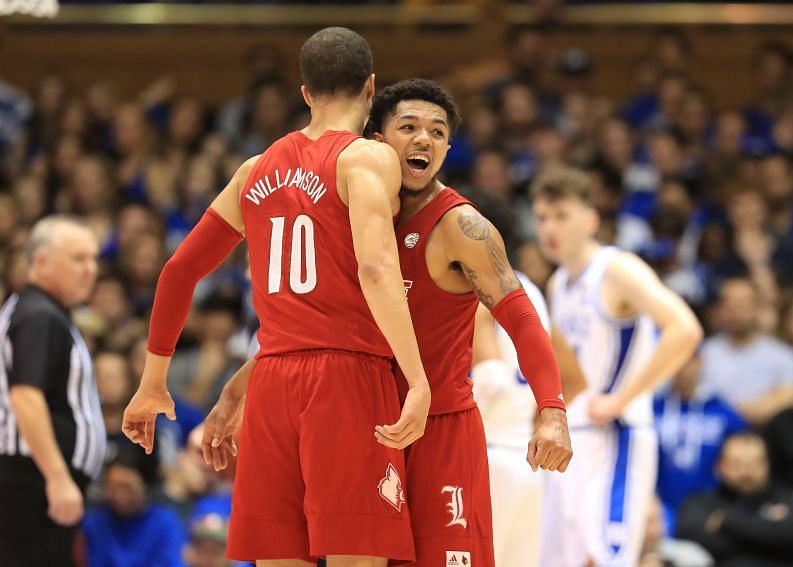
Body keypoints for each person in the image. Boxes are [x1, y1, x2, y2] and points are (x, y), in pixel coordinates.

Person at [203, 78, 572, 567]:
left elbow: (522, 320)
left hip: (439, 432)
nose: (424, 139)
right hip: (364, 429)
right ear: (377, 142)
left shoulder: (463, 228)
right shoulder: (349, 215)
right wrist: (239, 387)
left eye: (438, 133)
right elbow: (316, 331)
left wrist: (552, 410)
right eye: (410, 127)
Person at [122, 28, 431, 566]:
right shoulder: (366, 159)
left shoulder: (253, 169)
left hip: (272, 384)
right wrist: (418, 378)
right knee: (355, 554)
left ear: (305, 93)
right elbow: (376, 266)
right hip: (347, 377)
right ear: (371, 88)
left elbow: (177, 272)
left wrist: (153, 384)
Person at [532, 167, 703, 567]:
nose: (549, 228)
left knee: (604, 558)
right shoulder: (558, 282)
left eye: (561, 216)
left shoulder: (617, 269)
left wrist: (622, 398)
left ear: (590, 220)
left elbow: (684, 330)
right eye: (541, 217)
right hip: (572, 437)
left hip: (616, 435)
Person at [469, 190, 586, 567]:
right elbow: (574, 378)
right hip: (526, 463)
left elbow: (491, 377)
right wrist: (540, 419)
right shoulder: (527, 289)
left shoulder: (472, 288)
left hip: (484, 455)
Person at [0, 215, 105, 567]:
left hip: (30, 477)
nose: (90, 269)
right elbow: (25, 396)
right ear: (42, 260)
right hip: (31, 480)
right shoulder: (40, 315)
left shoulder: (35, 310)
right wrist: (58, 478)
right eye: (79, 259)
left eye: (93, 259)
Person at [654, 353, 748, 536]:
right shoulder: (652, 408)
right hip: (661, 504)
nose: (682, 371)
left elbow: (744, 448)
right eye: (675, 363)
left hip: (709, 506)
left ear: (699, 363)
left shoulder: (721, 410)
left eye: (688, 363)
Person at [676, 433, 793, 567]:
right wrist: (770, 534)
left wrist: (724, 521)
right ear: (719, 466)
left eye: (755, 463)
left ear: (768, 465)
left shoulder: (787, 499)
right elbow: (694, 539)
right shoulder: (699, 503)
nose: (746, 472)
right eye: (736, 463)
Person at [699, 278, 793, 426]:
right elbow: (695, 399)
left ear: (757, 308)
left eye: (744, 303)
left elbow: (788, 397)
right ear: (720, 310)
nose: (738, 310)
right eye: (731, 304)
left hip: (765, 435)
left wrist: (733, 412)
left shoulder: (782, 355)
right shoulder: (703, 353)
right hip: (712, 434)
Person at [82, 442, 186, 567]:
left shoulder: (165, 524)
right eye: (112, 487)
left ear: (145, 485)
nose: (119, 495)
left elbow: (171, 562)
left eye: (127, 488)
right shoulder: (94, 524)